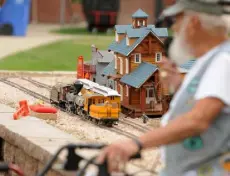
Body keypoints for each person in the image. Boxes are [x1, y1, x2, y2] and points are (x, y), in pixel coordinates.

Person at [97, 0, 230, 175]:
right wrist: (179, 85)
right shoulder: (209, 60)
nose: (174, 28)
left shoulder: (223, 61)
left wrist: (135, 143)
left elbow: (198, 120)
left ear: (194, 23)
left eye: (177, 20)